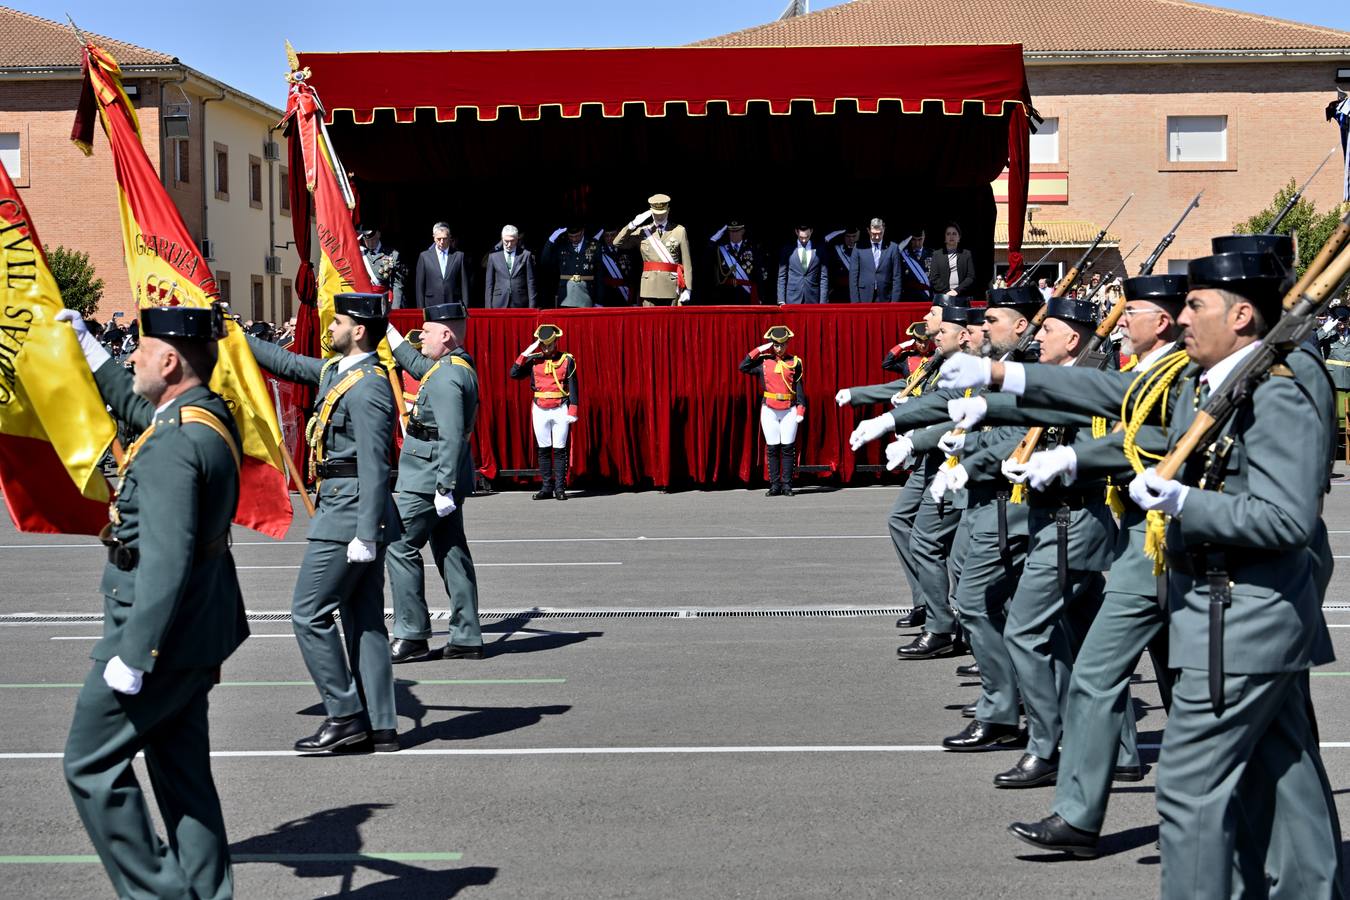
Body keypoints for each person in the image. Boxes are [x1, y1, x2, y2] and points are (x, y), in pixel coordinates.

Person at [1134, 249, 1340, 897]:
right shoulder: (1213, 384)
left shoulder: (1276, 391)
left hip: (1241, 619)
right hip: (1231, 614)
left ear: (1243, 315)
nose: (1182, 317)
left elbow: (1286, 520)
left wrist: (1190, 504)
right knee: (1284, 777)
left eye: (1196, 305)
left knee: (1188, 788)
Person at [57, 302, 248, 900]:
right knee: (183, 776)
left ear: (169, 359)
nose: (130, 356)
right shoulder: (204, 418)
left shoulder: (173, 445)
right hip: (197, 631)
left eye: (138, 349)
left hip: (153, 635)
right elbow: (145, 409)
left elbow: (165, 561)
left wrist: (135, 654)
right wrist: (91, 354)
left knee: (89, 764)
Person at [244, 292, 402, 753]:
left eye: (338, 323)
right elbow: (289, 364)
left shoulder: (369, 384)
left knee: (309, 612)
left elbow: (376, 462)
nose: (330, 329)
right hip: (346, 505)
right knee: (364, 619)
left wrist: (365, 532)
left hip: (351, 512)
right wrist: (234, 334)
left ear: (359, 331)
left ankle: (345, 714)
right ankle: (382, 723)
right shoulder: (340, 372)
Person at [384, 303, 484, 664]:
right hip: (441, 478)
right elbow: (416, 365)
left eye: (426, 330)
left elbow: (452, 435)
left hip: (428, 480)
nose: (421, 335)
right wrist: (386, 328)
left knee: (399, 545)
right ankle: (467, 634)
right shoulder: (452, 367)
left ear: (446, 334)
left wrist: (443, 486)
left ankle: (412, 634)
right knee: (452, 552)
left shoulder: (448, 377)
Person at [510, 324, 579, 499]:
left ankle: (560, 489)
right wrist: (526, 353)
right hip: (540, 408)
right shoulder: (534, 359)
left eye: (550, 344)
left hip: (560, 408)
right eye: (543, 345)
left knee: (560, 449)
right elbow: (514, 374)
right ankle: (547, 487)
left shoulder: (566, 359)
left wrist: (573, 410)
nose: (547, 349)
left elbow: (573, 386)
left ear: (556, 342)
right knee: (543, 449)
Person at [740, 325, 806, 496]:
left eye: (783, 344)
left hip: (789, 409)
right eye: (776, 344)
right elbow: (743, 366)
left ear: (787, 344)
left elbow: (799, 388)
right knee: (773, 448)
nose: (779, 348)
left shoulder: (795, 362)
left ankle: (787, 485)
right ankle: (775, 485)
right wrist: (759, 350)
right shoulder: (764, 361)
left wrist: (800, 409)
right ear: (772, 345)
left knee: (787, 448)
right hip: (769, 408)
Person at [613, 193, 692, 306]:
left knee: (672, 322)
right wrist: (632, 224)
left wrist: (688, 289)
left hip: (671, 286)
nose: (659, 217)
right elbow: (617, 243)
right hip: (649, 287)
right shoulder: (642, 231)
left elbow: (687, 263)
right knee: (650, 322)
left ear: (668, 210)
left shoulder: (679, 231)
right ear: (650, 212)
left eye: (663, 214)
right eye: (656, 214)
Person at [541, 224, 603, 308]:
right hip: (565, 294)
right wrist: (550, 240)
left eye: (577, 236)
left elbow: (599, 274)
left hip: (587, 293)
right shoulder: (562, 245)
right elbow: (545, 261)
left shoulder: (594, 245)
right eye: (571, 236)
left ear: (582, 232)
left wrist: (599, 300)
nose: (574, 239)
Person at [412, 222, 470, 310]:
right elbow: (420, 286)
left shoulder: (459, 256)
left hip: (453, 303)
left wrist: (465, 307)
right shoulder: (424, 256)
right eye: (439, 239)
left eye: (445, 238)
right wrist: (421, 309)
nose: (442, 242)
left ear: (450, 238)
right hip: (431, 304)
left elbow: (464, 284)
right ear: (434, 238)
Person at [710, 220, 769, 305]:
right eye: (731, 231)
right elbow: (707, 261)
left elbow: (759, 273)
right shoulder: (721, 249)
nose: (734, 234)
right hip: (726, 295)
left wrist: (760, 296)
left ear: (743, 231)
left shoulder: (752, 248)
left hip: (747, 294)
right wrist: (712, 241)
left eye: (737, 231)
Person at [484, 225, 538, 308]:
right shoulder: (493, 256)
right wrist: (488, 307)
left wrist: (532, 307)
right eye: (506, 241)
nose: (509, 245)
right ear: (502, 239)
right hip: (498, 303)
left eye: (512, 241)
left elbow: (531, 282)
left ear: (517, 239)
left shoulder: (526, 255)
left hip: (520, 302)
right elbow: (489, 283)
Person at [848, 217, 900, 302]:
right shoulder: (858, 248)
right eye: (873, 233)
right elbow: (853, 277)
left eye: (880, 233)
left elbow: (897, 277)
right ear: (868, 230)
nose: (876, 237)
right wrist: (855, 302)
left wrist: (894, 303)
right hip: (863, 296)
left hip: (886, 297)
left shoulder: (893, 248)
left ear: (884, 230)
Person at [776, 224, 829, 305]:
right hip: (792, 299)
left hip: (813, 299)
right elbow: (782, 276)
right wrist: (781, 300)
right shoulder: (787, 249)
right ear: (796, 232)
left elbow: (824, 277)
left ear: (811, 231)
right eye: (801, 237)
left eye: (807, 237)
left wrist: (823, 302)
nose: (804, 240)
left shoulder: (820, 250)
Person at [359, 225, 405, 308]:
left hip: (384, 303)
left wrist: (395, 308)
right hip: (365, 303)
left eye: (372, 239)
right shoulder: (360, 254)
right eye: (366, 240)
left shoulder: (392, 254)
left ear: (378, 234)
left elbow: (397, 284)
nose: (370, 243)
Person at [927, 222, 975, 298]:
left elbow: (970, 277)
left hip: (962, 296)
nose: (951, 236)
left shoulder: (966, 254)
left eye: (954, 234)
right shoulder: (936, 254)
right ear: (945, 238)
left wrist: (956, 291)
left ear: (959, 238)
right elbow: (934, 277)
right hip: (943, 296)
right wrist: (947, 292)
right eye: (948, 234)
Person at [597, 226, 636, 305]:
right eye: (606, 236)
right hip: (607, 296)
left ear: (618, 235)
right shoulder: (599, 252)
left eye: (612, 235)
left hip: (626, 295)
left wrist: (634, 299)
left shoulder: (627, 249)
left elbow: (634, 275)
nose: (609, 238)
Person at [898, 227, 934, 303]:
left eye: (920, 239)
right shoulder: (903, 255)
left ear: (924, 238)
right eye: (914, 240)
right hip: (909, 299)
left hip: (927, 298)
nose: (917, 243)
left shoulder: (932, 254)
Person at [824, 226, 860, 302]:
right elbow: (826, 239)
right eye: (848, 236)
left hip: (858, 291)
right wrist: (840, 232)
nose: (851, 239)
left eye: (854, 236)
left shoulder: (862, 250)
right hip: (840, 292)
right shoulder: (837, 250)